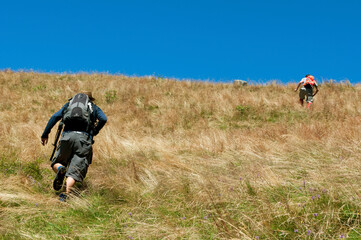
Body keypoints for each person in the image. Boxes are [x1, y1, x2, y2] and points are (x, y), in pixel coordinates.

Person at [41, 92, 107, 201]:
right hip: (83, 139)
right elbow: (103, 119)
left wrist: (45, 134)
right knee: (75, 170)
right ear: (90, 99)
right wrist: (95, 131)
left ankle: (60, 169)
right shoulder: (93, 107)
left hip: (66, 137)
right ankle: (65, 195)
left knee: (56, 162)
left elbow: (54, 117)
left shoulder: (69, 105)